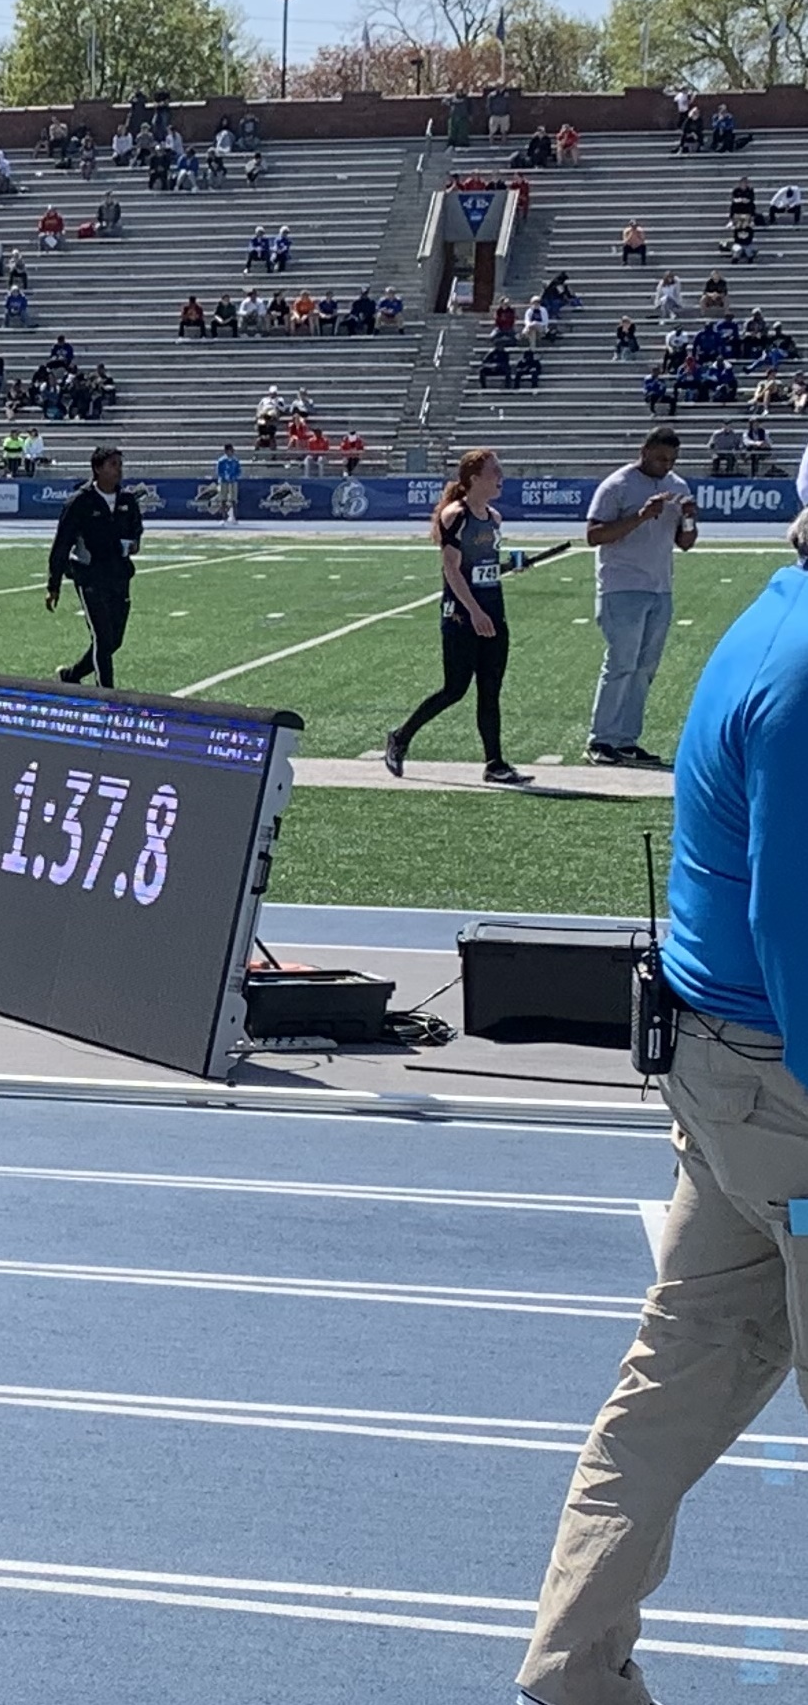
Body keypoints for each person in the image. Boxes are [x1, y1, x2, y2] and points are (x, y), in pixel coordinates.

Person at [518, 509, 808, 1705]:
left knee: (675, 1379)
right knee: (673, 1377)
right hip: (781, 1084)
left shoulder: (773, 621)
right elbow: (795, 926)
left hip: (725, 1076)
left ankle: (573, 1667)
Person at [383, 451, 533, 785]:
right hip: (462, 617)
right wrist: (474, 612)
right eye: (495, 471)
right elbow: (451, 568)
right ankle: (401, 737)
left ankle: (495, 763)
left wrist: (511, 566)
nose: (501, 477)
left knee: (490, 690)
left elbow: (482, 567)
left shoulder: (494, 518)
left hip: (493, 610)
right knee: (455, 689)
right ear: (474, 478)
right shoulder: (456, 515)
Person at [584, 426, 700, 767]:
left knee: (645, 668)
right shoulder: (617, 485)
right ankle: (601, 738)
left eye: (672, 460)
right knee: (621, 663)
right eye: (662, 458)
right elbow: (593, 535)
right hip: (622, 585)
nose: (667, 465)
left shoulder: (677, 487)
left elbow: (685, 543)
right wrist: (640, 516)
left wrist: (690, 520)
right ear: (644, 451)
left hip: (660, 587)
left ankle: (626, 739)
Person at [47, 446, 141, 687]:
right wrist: (53, 584)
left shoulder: (128, 501)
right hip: (90, 576)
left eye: (120, 465)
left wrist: (132, 545)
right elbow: (62, 543)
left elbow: (136, 533)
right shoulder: (80, 501)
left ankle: (72, 675)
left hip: (119, 575)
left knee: (114, 641)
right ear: (97, 469)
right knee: (101, 636)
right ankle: (106, 695)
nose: (118, 470)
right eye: (113, 465)